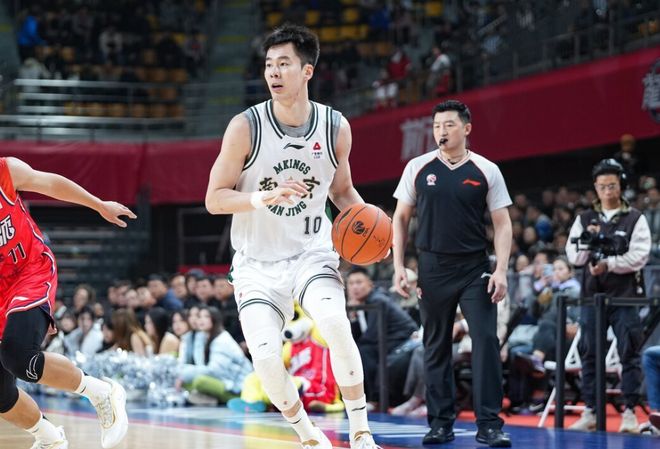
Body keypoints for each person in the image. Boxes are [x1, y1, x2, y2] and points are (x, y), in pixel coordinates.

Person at [205, 24, 381, 449]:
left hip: (310, 252)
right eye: (269, 64)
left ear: (307, 71)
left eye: (284, 64)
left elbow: (342, 191)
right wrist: (263, 197)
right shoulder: (245, 127)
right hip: (256, 264)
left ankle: (361, 431)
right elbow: (214, 199)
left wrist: (373, 228)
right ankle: (309, 436)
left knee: (335, 324)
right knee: (266, 359)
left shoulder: (335, 126)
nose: (273, 72)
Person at [392, 100, 513, 447]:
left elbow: (503, 224)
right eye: (436, 126)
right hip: (432, 269)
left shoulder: (487, 169)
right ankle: (440, 423)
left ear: (466, 128)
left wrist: (501, 270)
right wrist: (399, 266)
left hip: (475, 268)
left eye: (448, 125)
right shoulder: (417, 167)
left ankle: (489, 425)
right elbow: (400, 218)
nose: (441, 132)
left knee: (486, 342)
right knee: (435, 346)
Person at [0, 156, 134, 449]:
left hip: (29, 271)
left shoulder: (5, 171)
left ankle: (102, 392)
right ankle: (50, 439)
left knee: (18, 355)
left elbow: (51, 183)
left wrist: (98, 204)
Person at [566, 158, 651, 433]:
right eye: (602, 186)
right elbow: (574, 256)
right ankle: (590, 410)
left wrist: (610, 264)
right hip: (591, 296)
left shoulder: (635, 217)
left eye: (612, 185)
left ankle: (630, 412)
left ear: (621, 185)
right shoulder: (584, 219)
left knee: (629, 353)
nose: (607, 191)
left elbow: (640, 256)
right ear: (595, 187)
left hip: (625, 296)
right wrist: (588, 243)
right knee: (589, 353)